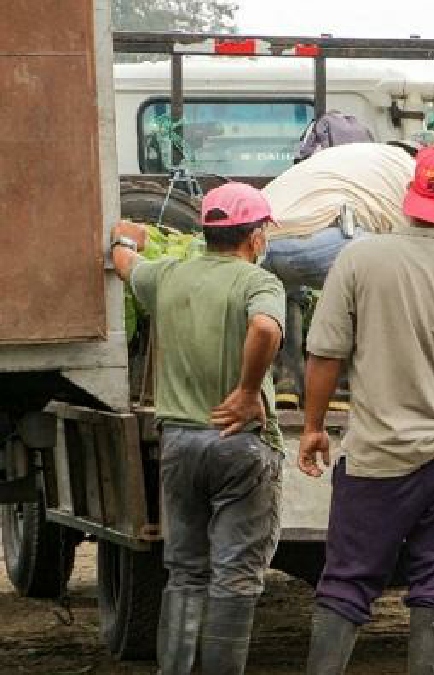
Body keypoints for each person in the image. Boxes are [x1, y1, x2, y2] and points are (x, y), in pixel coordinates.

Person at [298, 146, 434, 675]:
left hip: (375, 454)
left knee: (348, 581)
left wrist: (312, 427)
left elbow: (325, 354)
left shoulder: (358, 260)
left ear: (410, 196)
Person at [109, 183, 286, 675]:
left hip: (180, 443)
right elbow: (267, 328)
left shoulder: (169, 275)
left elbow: (126, 267)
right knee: (234, 576)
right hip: (238, 445)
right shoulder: (259, 283)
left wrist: (125, 240)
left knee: (185, 572)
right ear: (253, 237)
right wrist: (249, 392)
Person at [260, 135, 434, 407]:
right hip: (324, 239)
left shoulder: (359, 153)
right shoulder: (413, 174)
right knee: (373, 279)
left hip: (262, 240)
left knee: (288, 290)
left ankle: (287, 381)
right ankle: (341, 387)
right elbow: (414, 247)